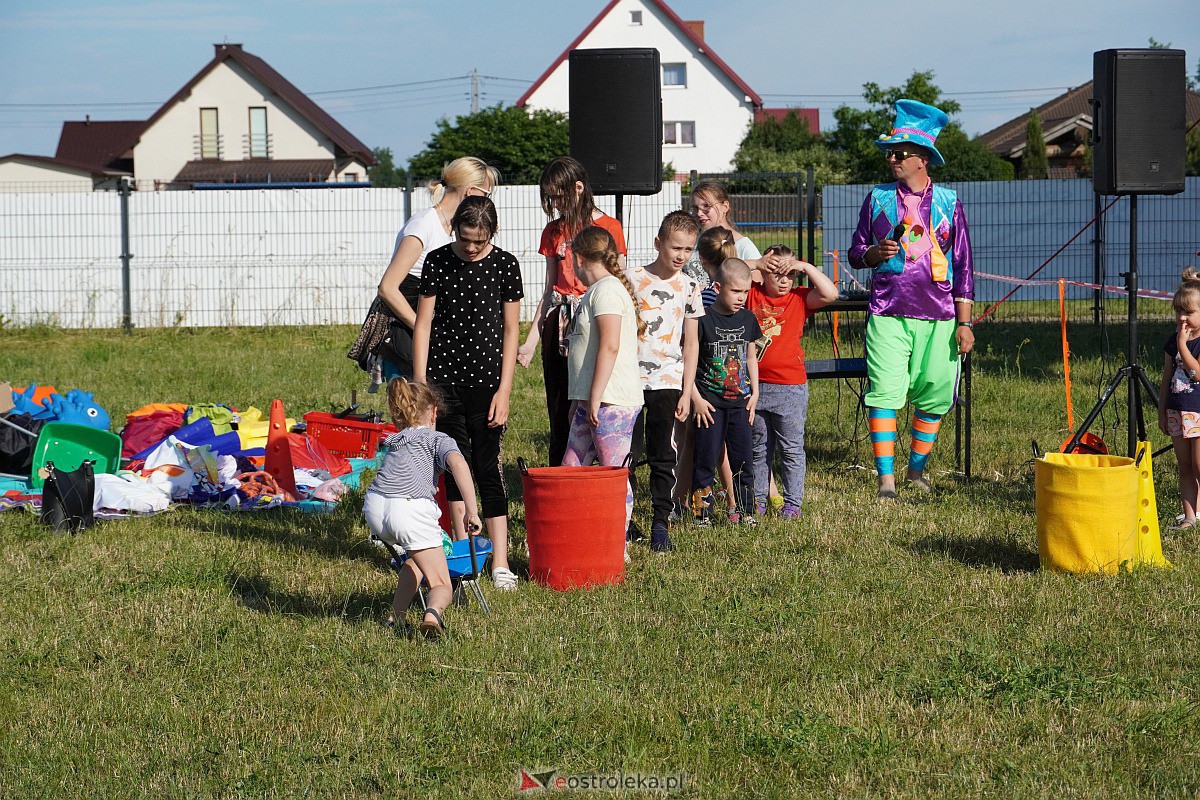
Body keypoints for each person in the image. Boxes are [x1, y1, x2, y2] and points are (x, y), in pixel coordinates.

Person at [847, 99, 976, 500]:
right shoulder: (878, 198)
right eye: (890, 153)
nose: (892, 160)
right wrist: (873, 255)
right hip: (888, 311)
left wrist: (965, 321)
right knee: (884, 390)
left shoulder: (950, 202)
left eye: (899, 153)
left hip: (940, 316)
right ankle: (886, 477)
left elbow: (963, 264)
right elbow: (856, 252)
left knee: (937, 391)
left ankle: (915, 471)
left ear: (922, 159)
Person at [412, 196, 523, 590]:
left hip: (488, 382)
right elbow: (423, 324)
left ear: (492, 232)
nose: (472, 247)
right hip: (444, 383)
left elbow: (512, 330)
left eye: (480, 240)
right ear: (454, 229)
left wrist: (505, 389)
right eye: (465, 238)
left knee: (488, 467)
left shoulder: (506, 265)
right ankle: (463, 558)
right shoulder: (438, 261)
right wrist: (421, 385)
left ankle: (500, 561)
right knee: (453, 469)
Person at [517, 156, 627, 468]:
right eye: (549, 197)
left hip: (597, 319)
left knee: (597, 398)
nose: (554, 203)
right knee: (560, 402)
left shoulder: (609, 227)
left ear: (578, 188)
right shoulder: (553, 231)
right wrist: (530, 342)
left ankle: (604, 470)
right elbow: (550, 289)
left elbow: (619, 282)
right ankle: (561, 472)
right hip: (560, 322)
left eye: (558, 195)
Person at [363, 378, 481, 640]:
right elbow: (459, 465)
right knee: (441, 583)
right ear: (434, 412)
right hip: (408, 508)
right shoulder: (437, 438)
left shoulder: (395, 439)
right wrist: (472, 511)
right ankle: (432, 616)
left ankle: (396, 618)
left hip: (375, 506)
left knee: (414, 562)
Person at [375, 157, 499, 383]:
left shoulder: (456, 229)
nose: (487, 201)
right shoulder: (423, 225)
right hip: (409, 332)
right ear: (471, 191)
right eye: (486, 194)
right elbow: (388, 288)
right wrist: (426, 332)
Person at [562, 226, 645, 551]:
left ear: (579, 258)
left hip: (612, 402)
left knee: (613, 475)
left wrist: (595, 396)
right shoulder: (597, 291)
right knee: (571, 468)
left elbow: (609, 346)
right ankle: (574, 535)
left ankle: (615, 545)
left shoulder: (608, 291)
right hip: (593, 401)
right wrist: (581, 399)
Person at [627, 210, 704, 552]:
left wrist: (687, 391)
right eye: (675, 248)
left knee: (663, 453)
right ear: (658, 243)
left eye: (688, 250)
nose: (681, 256)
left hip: (668, 381)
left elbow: (692, 343)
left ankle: (660, 521)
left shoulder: (689, 286)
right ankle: (623, 519)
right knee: (624, 452)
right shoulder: (631, 279)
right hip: (628, 379)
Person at [748, 244, 839, 519]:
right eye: (777, 273)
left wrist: (805, 267)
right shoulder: (750, 295)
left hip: (790, 387)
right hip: (755, 387)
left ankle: (792, 504)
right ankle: (759, 500)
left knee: (791, 448)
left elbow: (831, 294)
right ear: (763, 274)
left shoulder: (799, 299)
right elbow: (726, 271)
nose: (785, 280)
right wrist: (757, 263)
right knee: (758, 448)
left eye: (790, 274)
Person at [685, 258, 762, 526]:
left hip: (741, 404)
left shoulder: (748, 318)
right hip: (709, 406)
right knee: (705, 460)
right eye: (735, 291)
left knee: (744, 461)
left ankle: (746, 511)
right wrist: (696, 398)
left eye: (746, 291)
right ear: (717, 288)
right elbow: (689, 361)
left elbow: (751, 357)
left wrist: (755, 393)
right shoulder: (702, 319)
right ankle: (701, 514)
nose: (742, 297)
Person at [1158, 267, 1200, 529]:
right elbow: (1166, 377)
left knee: (1198, 464)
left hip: (1198, 412)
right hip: (1177, 412)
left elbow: (1196, 374)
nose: (1182, 317)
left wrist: (1184, 345)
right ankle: (1189, 517)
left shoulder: (1185, 343)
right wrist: (1162, 411)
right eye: (1178, 311)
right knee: (1184, 466)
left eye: (1189, 312)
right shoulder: (1172, 341)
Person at [684, 181, 771, 286]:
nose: (699, 213)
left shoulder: (743, 246)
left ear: (725, 206)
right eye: (695, 208)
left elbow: (755, 287)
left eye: (706, 206)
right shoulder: (690, 242)